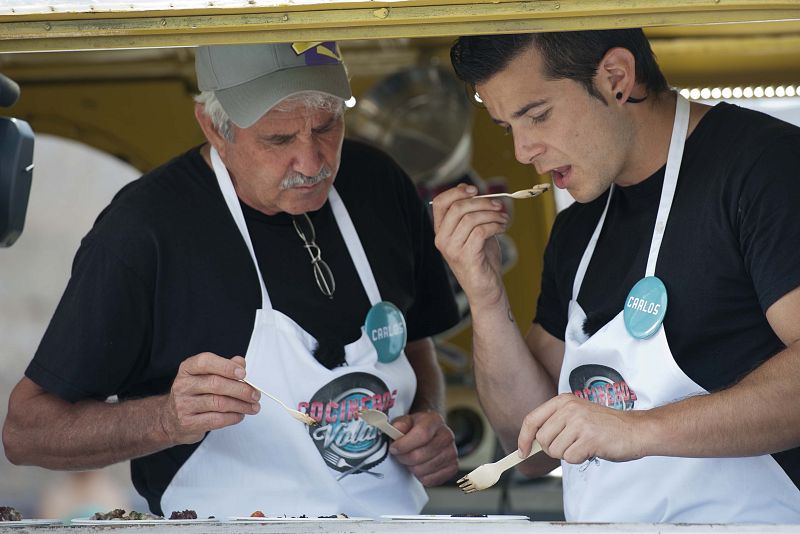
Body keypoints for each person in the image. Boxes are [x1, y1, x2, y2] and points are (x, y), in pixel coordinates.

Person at [3, 41, 460, 518]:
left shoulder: (380, 184)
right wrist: (165, 419)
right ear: (213, 127)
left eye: (326, 126)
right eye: (278, 140)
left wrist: (428, 417)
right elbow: (27, 430)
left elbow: (413, 342)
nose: (312, 163)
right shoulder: (145, 230)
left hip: (393, 522)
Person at [432, 29, 800, 523]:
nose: (522, 151)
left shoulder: (768, 168)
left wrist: (638, 429)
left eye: (537, 115)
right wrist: (484, 293)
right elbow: (533, 450)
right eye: (506, 127)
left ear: (616, 78)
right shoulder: (577, 228)